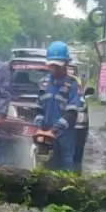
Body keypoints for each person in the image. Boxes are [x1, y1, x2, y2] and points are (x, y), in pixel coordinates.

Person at [33, 41, 83, 171]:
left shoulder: (72, 84)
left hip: (64, 136)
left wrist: (53, 131)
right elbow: (39, 109)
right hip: (45, 135)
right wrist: (39, 128)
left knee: (65, 168)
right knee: (44, 169)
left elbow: (72, 114)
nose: (53, 68)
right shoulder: (44, 83)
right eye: (51, 65)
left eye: (57, 65)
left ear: (65, 64)